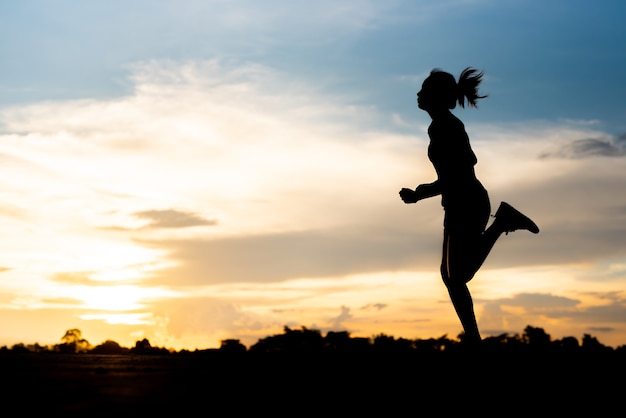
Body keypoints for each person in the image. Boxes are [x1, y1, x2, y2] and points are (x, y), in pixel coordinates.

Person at [399, 67, 539, 345]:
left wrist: (420, 193)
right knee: (451, 276)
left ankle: (502, 223)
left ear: (436, 97)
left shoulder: (446, 126)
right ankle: (473, 338)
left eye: (424, 90)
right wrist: (425, 191)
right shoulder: (439, 126)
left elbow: (462, 169)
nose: (417, 93)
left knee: (456, 276)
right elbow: (458, 170)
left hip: (467, 203)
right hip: (459, 203)